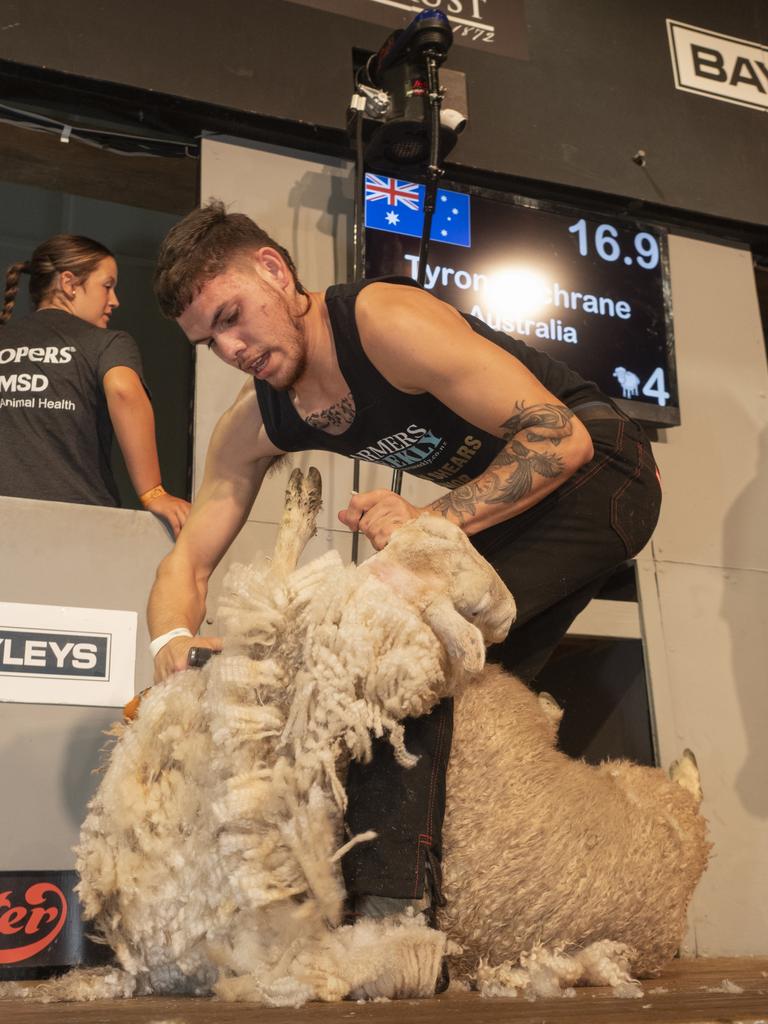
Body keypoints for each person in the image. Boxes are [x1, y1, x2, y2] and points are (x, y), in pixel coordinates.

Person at [146, 200, 661, 926]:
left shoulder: (385, 321)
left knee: (395, 642)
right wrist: (170, 645)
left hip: (607, 475)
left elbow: (560, 440)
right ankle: (501, 901)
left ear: (273, 268)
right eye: (209, 340)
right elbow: (188, 562)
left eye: (232, 315)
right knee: (474, 697)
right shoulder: (261, 415)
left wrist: (426, 522)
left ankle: (393, 917)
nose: (231, 347)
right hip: (521, 513)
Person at [0, 234, 190, 535]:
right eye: (107, 285)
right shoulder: (107, 343)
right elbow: (124, 391)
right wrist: (154, 492)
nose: (114, 300)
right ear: (69, 283)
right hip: (80, 525)